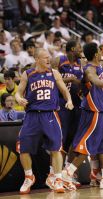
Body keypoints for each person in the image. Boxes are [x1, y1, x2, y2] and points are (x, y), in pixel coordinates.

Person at [62, 42, 103, 189]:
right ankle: (67, 174)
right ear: (95, 54)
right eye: (100, 50)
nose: (102, 51)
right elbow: (96, 81)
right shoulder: (89, 70)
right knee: (86, 146)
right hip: (93, 111)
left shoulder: (100, 66)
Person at [15, 48, 74, 194]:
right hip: (32, 115)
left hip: (50, 115)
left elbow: (64, 90)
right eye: (45, 58)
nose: (49, 60)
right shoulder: (28, 74)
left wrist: (69, 100)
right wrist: (19, 99)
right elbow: (18, 92)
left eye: (49, 57)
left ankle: (58, 179)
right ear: (37, 59)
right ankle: (29, 177)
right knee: (23, 148)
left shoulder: (54, 73)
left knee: (56, 148)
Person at [50, 40, 83, 186]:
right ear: (72, 49)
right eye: (79, 47)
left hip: (76, 104)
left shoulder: (79, 63)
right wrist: (66, 78)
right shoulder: (59, 60)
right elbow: (50, 78)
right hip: (62, 104)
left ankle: (66, 173)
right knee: (61, 140)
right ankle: (53, 173)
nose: (81, 50)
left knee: (71, 140)